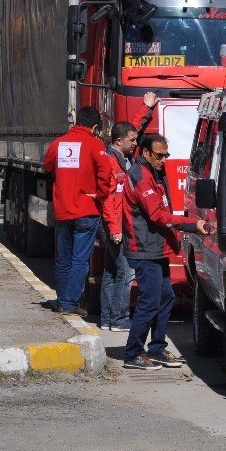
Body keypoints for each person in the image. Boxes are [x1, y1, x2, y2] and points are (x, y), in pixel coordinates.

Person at [121, 133, 209, 370]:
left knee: (166, 296)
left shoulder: (154, 173)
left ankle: (157, 349)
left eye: (166, 155)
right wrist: (191, 225)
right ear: (146, 153)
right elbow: (157, 215)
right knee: (150, 300)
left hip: (156, 248)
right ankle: (133, 353)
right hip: (143, 249)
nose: (163, 160)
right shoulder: (140, 175)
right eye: (159, 155)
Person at [43, 106, 112, 316]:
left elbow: (47, 166)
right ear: (93, 127)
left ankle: (63, 300)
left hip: (63, 210)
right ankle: (70, 303)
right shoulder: (94, 144)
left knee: (63, 258)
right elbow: (105, 172)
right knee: (79, 259)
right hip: (86, 210)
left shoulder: (58, 143)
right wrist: (100, 194)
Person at [99, 121, 138, 331]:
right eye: (132, 140)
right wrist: (115, 228)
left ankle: (107, 319)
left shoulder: (119, 158)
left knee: (111, 270)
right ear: (118, 140)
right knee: (125, 271)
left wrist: (146, 107)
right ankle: (119, 319)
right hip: (116, 225)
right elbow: (107, 199)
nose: (135, 143)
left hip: (114, 224)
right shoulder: (111, 163)